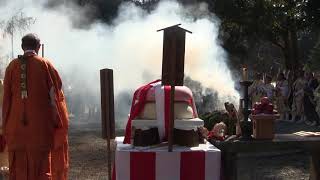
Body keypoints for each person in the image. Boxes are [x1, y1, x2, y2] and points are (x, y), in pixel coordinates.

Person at [2, 33, 69, 180]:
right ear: (38, 47)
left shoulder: (11, 66)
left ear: (22, 47)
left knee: (17, 171)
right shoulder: (45, 64)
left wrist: (5, 127)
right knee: (41, 170)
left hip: (15, 130)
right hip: (39, 130)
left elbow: (6, 101)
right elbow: (55, 98)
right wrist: (58, 123)